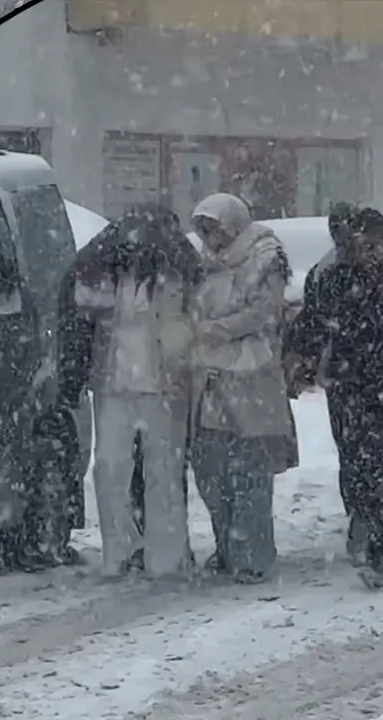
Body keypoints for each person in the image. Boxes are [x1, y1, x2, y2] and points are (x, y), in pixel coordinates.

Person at [57, 205, 201, 578]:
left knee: (163, 470)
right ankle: (119, 551)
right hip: (114, 383)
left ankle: (166, 557)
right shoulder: (106, 272)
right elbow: (79, 302)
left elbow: (194, 322)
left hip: (163, 385)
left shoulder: (178, 274)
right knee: (109, 468)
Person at [188, 192, 298, 584]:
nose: (210, 239)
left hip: (250, 379)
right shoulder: (204, 264)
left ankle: (253, 555)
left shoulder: (264, 258)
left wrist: (213, 330)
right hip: (210, 381)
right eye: (204, 231)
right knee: (212, 472)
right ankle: (227, 547)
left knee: (249, 474)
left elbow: (262, 313)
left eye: (214, 229)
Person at [287, 207, 383, 585]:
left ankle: (372, 539)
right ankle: (368, 536)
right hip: (351, 382)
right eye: (366, 244)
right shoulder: (333, 274)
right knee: (358, 461)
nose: (372, 251)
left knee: (369, 462)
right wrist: (302, 358)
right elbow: (313, 321)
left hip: (361, 379)